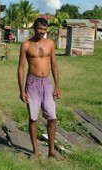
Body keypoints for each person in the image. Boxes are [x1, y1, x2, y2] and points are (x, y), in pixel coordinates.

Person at [17, 17, 62, 160]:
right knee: (33, 118)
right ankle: (35, 151)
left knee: (52, 117)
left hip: (47, 83)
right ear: (34, 28)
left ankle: (51, 151)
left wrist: (57, 86)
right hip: (32, 83)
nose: (42, 31)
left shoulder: (50, 44)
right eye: (39, 28)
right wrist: (21, 90)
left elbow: (54, 65)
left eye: (44, 29)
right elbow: (21, 68)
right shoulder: (26, 45)